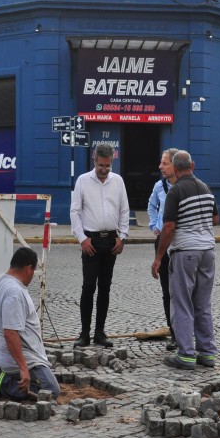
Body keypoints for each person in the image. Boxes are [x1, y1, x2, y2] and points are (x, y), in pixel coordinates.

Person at [151, 150, 219, 370]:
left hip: (185, 252)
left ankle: (186, 354)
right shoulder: (206, 188)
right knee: (202, 303)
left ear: (175, 168)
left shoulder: (176, 191)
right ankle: (207, 353)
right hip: (208, 251)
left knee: (181, 303)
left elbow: (169, 227)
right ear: (193, 165)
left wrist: (159, 257)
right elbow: (215, 219)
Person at [70, 143, 130, 348]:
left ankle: (100, 333)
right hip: (91, 241)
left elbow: (124, 210)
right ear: (94, 160)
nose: (104, 170)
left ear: (112, 161)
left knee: (105, 288)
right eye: (101, 165)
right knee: (88, 287)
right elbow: (75, 212)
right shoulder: (83, 181)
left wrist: (122, 237)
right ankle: (84, 333)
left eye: (108, 165)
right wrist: (82, 239)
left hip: (111, 241)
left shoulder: (118, 181)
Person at [0, 247, 60, 400]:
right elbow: (10, 333)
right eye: (33, 271)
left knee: (46, 385)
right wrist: (23, 368)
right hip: (25, 357)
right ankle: (2, 382)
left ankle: (3, 373)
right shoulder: (15, 293)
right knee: (51, 391)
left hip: (5, 354)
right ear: (29, 269)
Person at [147, 148, 179, 351]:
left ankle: (185, 330)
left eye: (164, 163)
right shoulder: (159, 186)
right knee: (167, 291)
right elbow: (151, 206)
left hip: (181, 244)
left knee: (182, 291)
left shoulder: (185, 186)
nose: (160, 167)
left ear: (175, 166)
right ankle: (174, 332)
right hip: (162, 243)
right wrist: (154, 225)